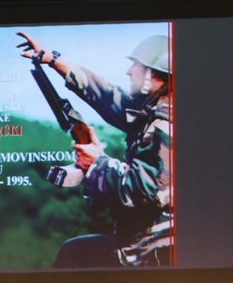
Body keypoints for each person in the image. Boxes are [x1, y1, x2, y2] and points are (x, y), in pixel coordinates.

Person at [18, 29, 173, 269]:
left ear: (152, 73)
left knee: (74, 253)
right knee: (76, 250)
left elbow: (145, 191)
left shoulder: (167, 122)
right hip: (142, 245)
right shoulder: (151, 112)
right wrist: (52, 60)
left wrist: (97, 162)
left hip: (153, 254)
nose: (128, 71)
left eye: (135, 65)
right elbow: (107, 96)